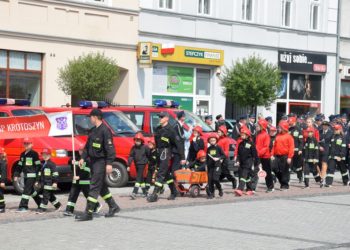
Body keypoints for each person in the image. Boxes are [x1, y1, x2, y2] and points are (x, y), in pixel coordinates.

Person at [75, 109, 120, 221]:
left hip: (101, 162)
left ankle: (88, 213)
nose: (90, 119)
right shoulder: (92, 131)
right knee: (101, 187)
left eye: (91, 117)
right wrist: (82, 158)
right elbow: (87, 147)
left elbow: (110, 149)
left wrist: (109, 163)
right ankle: (113, 206)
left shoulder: (105, 131)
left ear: (95, 117)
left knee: (94, 186)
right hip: (93, 162)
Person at [147, 112, 186, 202]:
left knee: (160, 173)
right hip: (159, 152)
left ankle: (154, 194)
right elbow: (156, 143)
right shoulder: (158, 129)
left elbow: (178, 144)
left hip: (166, 152)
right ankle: (173, 191)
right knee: (167, 174)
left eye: (161, 117)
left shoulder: (171, 130)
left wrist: (182, 157)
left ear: (167, 118)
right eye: (159, 117)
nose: (159, 118)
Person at [64, 147, 101, 216]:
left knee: (88, 196)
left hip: (84, 181)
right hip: (76, 181)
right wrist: (71, 162)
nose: (81, 152)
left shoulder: (88, 159)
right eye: (80, 150)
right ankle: (69, 210)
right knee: (72, 195)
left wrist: (79, 177)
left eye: (82, 150)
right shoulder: (76, 158)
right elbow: (73, 168)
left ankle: (96, 205)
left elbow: (87, 170)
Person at [14, 138, 42, 212]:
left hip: (32, 176)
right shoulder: (22, 154)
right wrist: (16, 175)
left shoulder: (34, 154)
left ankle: (23, 206)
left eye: (28, 143)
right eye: (25, 143)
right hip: (25, 176)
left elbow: (38, 166)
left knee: (26, 191)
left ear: (32, 144)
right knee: (31, 192)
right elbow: (19, 166)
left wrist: (37, 178)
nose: (26, 145)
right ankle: (41, 203)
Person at [234, 126, 259, 196]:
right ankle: (249, 189)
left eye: (243, 135)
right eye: (241, 135)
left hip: (248, 162)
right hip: (242, 162)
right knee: (247, 177)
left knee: (243, 175)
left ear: (247, 135)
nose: (242, 136)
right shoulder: (240, 144)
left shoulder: (251, 144)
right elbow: (238, 154)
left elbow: (255, 154)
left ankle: (240, 189)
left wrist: (257, 164)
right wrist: (237, 160)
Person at [36, 148, 62, 214]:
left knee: (45, 196)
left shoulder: (52, 164)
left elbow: (55, 174)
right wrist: (37, 181)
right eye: (43, 154)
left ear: (50, 155)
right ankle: (58, 205)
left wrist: (55, 182)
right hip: (43, 183)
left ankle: (42, 209)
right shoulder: (41, 164)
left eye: (46, 155)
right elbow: (39, 174)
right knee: (50, 196)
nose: (45, 156)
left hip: (49, 183)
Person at [271, 121, 294, 190]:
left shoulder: (289, 137)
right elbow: (274, 146)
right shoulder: (277, 136)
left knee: (284, 171)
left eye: (280, 127)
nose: (278, 129)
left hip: (285, 156)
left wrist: (289, 157)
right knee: (274, 168)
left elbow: (291, 147)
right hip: (277, 156)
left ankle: (285, 185)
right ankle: (282, 182)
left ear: (284, 128)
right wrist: (272, 154)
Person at [128, 132, 150, 199]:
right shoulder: (133, 148)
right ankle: (145, 192)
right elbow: (131, 156)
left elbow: (149, 155)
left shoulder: (145, 147)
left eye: (139, 140)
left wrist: (148, 161)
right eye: (136, 140)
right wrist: (128, 165)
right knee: (141, 179)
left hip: (142, 164)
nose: (137, 141)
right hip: (136, 164)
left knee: (138, 178)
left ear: (141, 140)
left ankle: (134, 192)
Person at [256, 119, 274, 193]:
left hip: (265, 156)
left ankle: (270, 187)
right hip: (259, 155)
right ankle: (252, 187)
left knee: (267, 172)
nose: (256, 126)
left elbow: (266, 147)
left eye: (258, 125)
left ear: (262, 126)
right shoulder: (258, 134)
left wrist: (259, 153)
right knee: (255, 171)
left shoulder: (266, 135)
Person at [217, 125, 237, 189]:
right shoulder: (218, 139)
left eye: (219, 132)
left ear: (223, 132)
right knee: (217, 172)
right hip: (219, 158)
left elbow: (227, 151)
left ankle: (233, 180)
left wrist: (221, 157)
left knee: (226, 173)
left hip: (224, 159)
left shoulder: (226, 140)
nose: (218, 133)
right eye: (218, 131)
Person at [206, 133, 225, 199]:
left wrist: (218, 158)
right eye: (211, 140)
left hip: (217, 166)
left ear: (216, 140)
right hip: (210, 166)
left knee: (215, 179)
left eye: (214, 140)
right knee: (210, 180)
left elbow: (224, 155)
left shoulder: (219, 148)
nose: (212, 142)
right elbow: (207, 158)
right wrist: (206, 165)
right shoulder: (208, 149)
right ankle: (212, 193)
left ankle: (220, 189)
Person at [289, 117, 304, 183]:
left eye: (291, 123)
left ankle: (300, 177)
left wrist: (300, 149)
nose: (290, 124)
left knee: (298, 165)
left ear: (294, 122)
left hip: (297, 151)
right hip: (290, 150)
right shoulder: (288, 129)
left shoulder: (299, 130)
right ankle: (287, 178)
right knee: (289, 165)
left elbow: (301, 141)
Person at [319, 121, 333, 185]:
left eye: (326, 125)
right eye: (323, 125)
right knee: (318, 164)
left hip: (327, 150)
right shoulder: (319, 132)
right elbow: (317, 140)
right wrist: (319, 146)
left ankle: (322, 178)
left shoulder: (331, 132)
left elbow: (328, 141)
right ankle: (320, 176)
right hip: (319, 150)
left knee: (324, 163)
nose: (324, 126)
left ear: (328, 126)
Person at [0, 148, 7, 213]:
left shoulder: (2, 162)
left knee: (0, 194)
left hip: (0, 181)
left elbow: (3, 173)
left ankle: (2, 207)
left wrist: (2, 182)